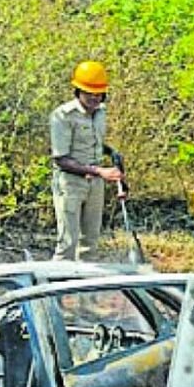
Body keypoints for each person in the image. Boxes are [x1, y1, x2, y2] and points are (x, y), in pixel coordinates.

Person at [49, 60, 123, 261]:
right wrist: (100, 171)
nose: (93, 97)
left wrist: (111, 152)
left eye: (98, 93)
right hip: (70, 184)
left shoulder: (101, 113)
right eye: (89, 92)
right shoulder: (62, 116)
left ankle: (85, 292)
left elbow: (94, 142)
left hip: (95, 185)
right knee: (67, 244)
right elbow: (61, 159)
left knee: (90, 244)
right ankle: (54, 292)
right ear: (78, 90)